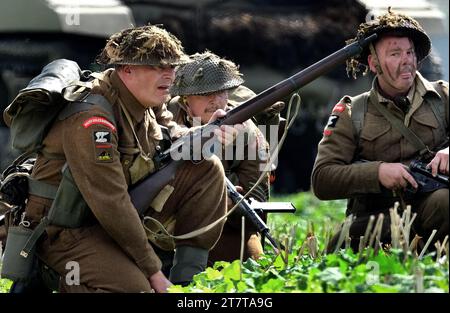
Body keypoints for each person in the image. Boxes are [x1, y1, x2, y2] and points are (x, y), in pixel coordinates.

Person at [10, 25, 240, 292]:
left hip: (111, 216)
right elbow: (111, 201)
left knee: (205, 166)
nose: (169, 74)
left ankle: (186, 283)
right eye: (157, 66)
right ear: (126, 69)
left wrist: (202, 132)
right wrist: (152, 270)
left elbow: (171, 132)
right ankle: (53, 277)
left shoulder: (149, 99)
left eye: (172, 66)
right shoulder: (92, 118)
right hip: (66, 230)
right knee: (137, 290)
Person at [311, 9, 448, 252]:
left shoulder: (443, 97)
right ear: (374, 64)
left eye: (409, 52)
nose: (406, 60)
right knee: (342, 247)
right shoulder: (352, 112)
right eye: (395, 54)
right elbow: (322, 179)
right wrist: (378, 173)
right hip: (377, 219)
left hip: (435, 209)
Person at [168, 51, 276, 264]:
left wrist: (218, 199)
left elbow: (258, 204)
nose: (215, 101)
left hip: (226, 231)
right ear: (185, 100)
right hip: (166, 228)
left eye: (221, 92)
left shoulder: (249, 133)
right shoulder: (164, 118)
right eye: (203, 94)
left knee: (249, 266)